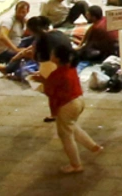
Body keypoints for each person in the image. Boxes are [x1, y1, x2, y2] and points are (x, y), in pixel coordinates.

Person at [44, 43, 102, 174]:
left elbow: (49, 92)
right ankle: (93, 146)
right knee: (71, 126)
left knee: (65, 135)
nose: (51, 55)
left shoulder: (57, 74)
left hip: (67, 105)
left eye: (53, 54)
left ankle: (75, 165)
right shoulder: (71, 68)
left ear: (57, 58)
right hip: (78, 101)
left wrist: (42, 81)